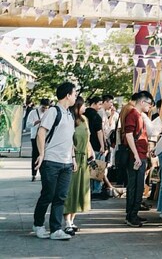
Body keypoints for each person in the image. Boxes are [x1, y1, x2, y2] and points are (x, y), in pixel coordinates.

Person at [32, 82, 77, 240]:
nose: (75, 96)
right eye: (74, 93)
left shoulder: (70, 114)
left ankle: (56, 229)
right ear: (67, 95)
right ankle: (38, 224)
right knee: (48, 195)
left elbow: (69, 139)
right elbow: (41, 132)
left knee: (61, 196)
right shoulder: (53, 111)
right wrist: (42, 153)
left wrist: (73, 158)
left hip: (66, 163)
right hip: (51, 161)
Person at [63, 96, 94, 236]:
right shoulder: (70, 120)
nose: (85, 107)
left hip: (84, 159)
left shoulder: (84, 120)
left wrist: (91, 151)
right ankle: (67, 222)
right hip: (73, 158)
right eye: (83, 104)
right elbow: (68, 140)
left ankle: (73, 220)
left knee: (81, 189)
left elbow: (88, 138)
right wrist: (73, 158)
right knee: (71, 190)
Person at [123, 91, 153, 227]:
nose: (150, 107)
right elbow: (129, 135)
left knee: (137, 186)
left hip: (140, 154)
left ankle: (132, 213)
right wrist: (136, 155)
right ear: (142, 102)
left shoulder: (138, 115)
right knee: (135, 186)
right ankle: (131, 215)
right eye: (149, 104)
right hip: (136, 156)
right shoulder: (133, 115)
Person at [84, 96, 106, 196]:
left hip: (86, 146)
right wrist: (102, 145)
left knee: (88, 169)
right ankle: (96, 190)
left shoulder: (83, 115)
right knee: (97, 169)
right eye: (99, 104)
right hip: (96, 146)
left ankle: (88, 190)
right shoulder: (96, 116)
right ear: (94, 104)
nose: (100, 107)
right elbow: (99, 132)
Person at [26, 98, 50, 182]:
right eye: (43, 107)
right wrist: (37, 122)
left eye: (47, 108)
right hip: (35, 136)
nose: (45, 109)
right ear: (40, 105)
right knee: (35, 155)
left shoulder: (49, 113)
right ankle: (34, 174)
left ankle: (43, 174)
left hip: (45, 137)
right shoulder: (33, 113)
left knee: (44, 155)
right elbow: (28, 125)